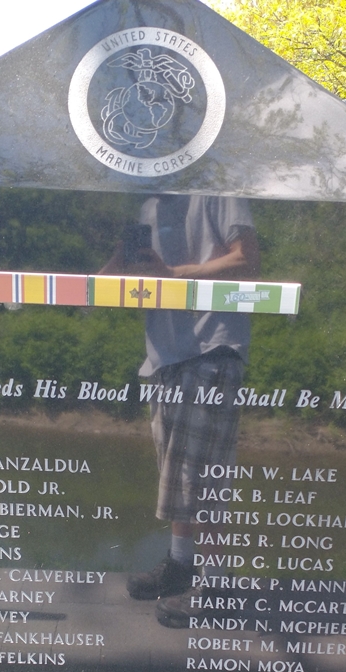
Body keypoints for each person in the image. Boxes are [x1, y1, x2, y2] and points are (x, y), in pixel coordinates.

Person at [104, 194, 259, 605]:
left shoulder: (220, 193)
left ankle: (215, 586)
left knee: (202, 477)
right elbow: (125, 276)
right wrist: (111, 272)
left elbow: (246, 261)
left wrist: (174, 273)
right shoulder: (149, 204)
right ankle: (180, 564)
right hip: (164, 358)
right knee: (176, 474)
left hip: (212, 348)